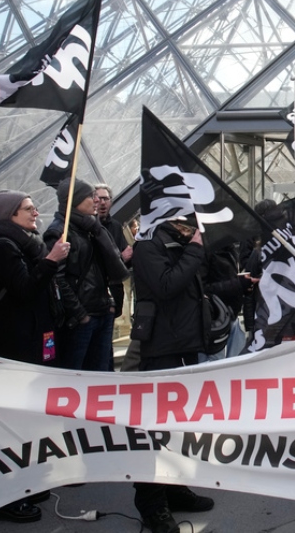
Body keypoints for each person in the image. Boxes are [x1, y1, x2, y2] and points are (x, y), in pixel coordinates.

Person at [0, 190, 72, 523]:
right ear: (11, 214)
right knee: (15, 420)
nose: (35, 213)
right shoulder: (5, 248)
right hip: (18, 341)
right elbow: (24, 288)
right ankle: (9, 497)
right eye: (28, 208)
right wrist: (51, 261)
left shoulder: (24, 243)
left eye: (34, 207)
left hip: (35, 336)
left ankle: (27, 483)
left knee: (32, 415)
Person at [130, 215, 216, 532]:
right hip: (162, 350)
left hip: (184, 344)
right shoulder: (148, 247)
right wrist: (194, 250)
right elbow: (167, 286)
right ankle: (151, 504)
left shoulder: (177, 243)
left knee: (180, 426)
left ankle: (174, 487)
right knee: (155, 428)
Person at [44, 177, 129, 372]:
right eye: (91, 196)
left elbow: (107, 269)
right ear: (76, 201)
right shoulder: (60, 232)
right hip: (82, 319)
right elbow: (57, 279)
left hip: (101, 311)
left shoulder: (92, 229)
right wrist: (80, 314)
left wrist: (109, 304)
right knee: (78, 375)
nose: (97, 201)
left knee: (101, 374)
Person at [93, 184, 133, 326]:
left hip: (115, 294)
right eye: (98, 199)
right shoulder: (88, 227)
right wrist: (121, 258)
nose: (102, 203)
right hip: (95, 297)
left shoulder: (115, 226)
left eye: (106, 199)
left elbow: (126, 258)